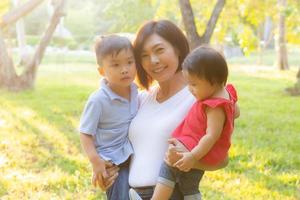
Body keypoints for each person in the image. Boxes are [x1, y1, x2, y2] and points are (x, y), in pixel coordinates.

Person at [100, 20, 231, 200]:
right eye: (144, 55)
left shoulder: (199, 98)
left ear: (177, 49)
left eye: (159, 50)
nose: (153, 61)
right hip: (129, 193)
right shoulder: (141, 98)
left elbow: (222, 159)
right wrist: (103, 169)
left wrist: (186, 160)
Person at [129, 46, 240, 200]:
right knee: (189, 183)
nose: (190, 89)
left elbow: (211, 136)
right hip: (199, 149)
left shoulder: (214, 107)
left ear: (213, 81)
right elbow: (236, 112)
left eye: (194, 84)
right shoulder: (226, 94)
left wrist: (192, 157)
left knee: (169, 165)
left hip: (197, 149)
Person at [79, 35, 138, 200]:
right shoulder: (98, 100)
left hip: (131, 155)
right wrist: (96, 161)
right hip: (112, 162)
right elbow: (85, 133)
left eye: (129, 62)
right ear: (101, 71)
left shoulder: (135, 91)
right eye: (115, 65)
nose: (124, 69)